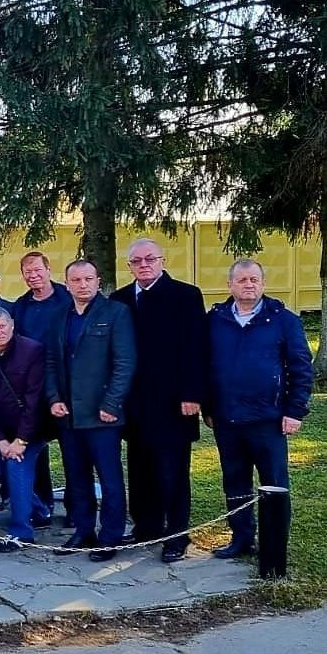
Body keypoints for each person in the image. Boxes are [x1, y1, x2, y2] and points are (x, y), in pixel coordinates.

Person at [205, 259, 311, 559]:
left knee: (274, 485)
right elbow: (205, 366)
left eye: (254, 279)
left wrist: (295, 410)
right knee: (235, 482)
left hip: (268, 420)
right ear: (230, 285)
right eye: (242, 280)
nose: (248, 285)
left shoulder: (283, 320)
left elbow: (301, 368)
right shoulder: (215, 320)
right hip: (227, 419)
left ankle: (274, 548)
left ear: (263, 283)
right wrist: (209, 408)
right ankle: (241, 539)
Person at [109, 239, 207, 562]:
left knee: (172, 473)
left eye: (150, 259)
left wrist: (193, 393)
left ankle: (176, 535)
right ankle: (146, 527)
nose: (144, 265)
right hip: (135, 404)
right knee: (140, 471)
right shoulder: (120, 299)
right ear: (129, 266)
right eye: (136, 261)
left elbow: (196, 347)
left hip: (174, 402)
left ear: (162, 260)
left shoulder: (186, 295)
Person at [44, 260, 137, 562]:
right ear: (67, 283)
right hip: (69, 415)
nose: (82, 285)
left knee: (109, 480)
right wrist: (53, 398)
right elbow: (50, 362)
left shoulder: (116, 313)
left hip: (102, 415)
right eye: (76, 280)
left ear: (98, 281)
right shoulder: (59, 316)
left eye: (88, 279)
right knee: (76, 478)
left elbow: (125, 363)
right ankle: (83, 531)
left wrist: (112, 404)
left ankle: (109, 537)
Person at [0, 308, 52, 551]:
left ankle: (21, 533)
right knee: (3, 471)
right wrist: (0, 441)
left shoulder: (32, 350)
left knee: (15, 467)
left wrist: (21, 441)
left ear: (12, 325)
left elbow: (34, 399)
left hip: (32, 429)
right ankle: (40, 511)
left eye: (2, 326)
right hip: (3, 433)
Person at [10, 251, 70, 514]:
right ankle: (41, 505)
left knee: (72, 450)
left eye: (37, 270)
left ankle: (75, 510)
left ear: (48, 269)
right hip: (33, 387)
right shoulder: (21, 306)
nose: (33, 276)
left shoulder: (67, 298)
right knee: (33, 445)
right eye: (28, 272)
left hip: (66, 385)